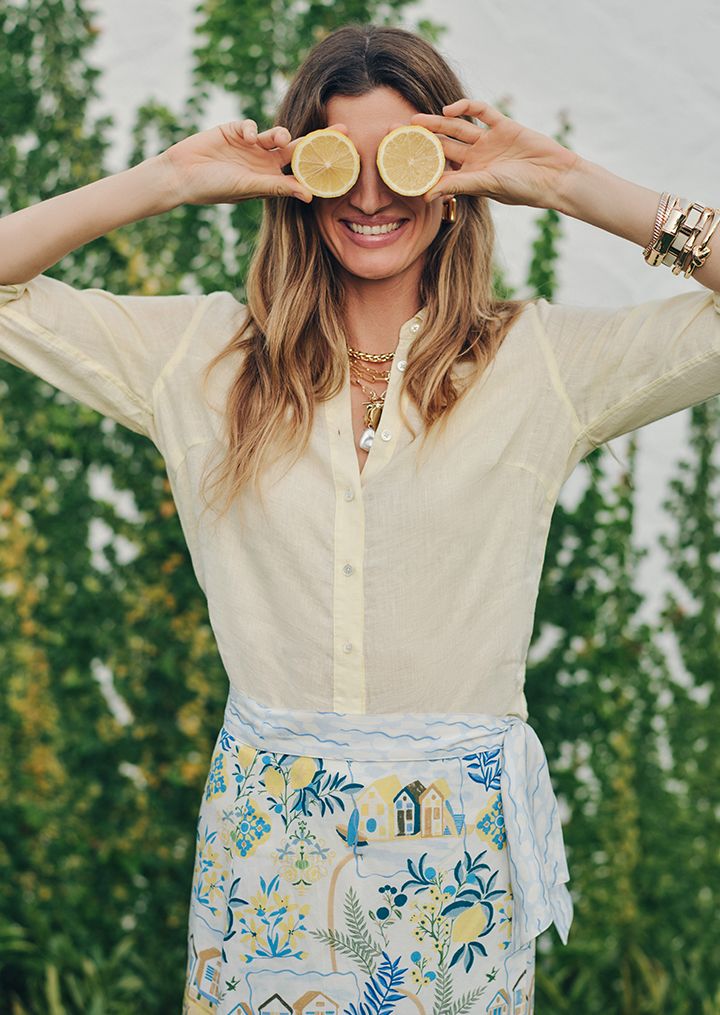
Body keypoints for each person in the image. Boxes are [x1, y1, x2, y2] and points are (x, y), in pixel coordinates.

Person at [1, 21, 719, 1015]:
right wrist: (167, 179)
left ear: (455, 186)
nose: (373, 197)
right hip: (269, 862)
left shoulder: (540, 365)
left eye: (405, 163)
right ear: (302, 178)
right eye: (343, 164)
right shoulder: (201, 359)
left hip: (457, 864)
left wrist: (564, 183)